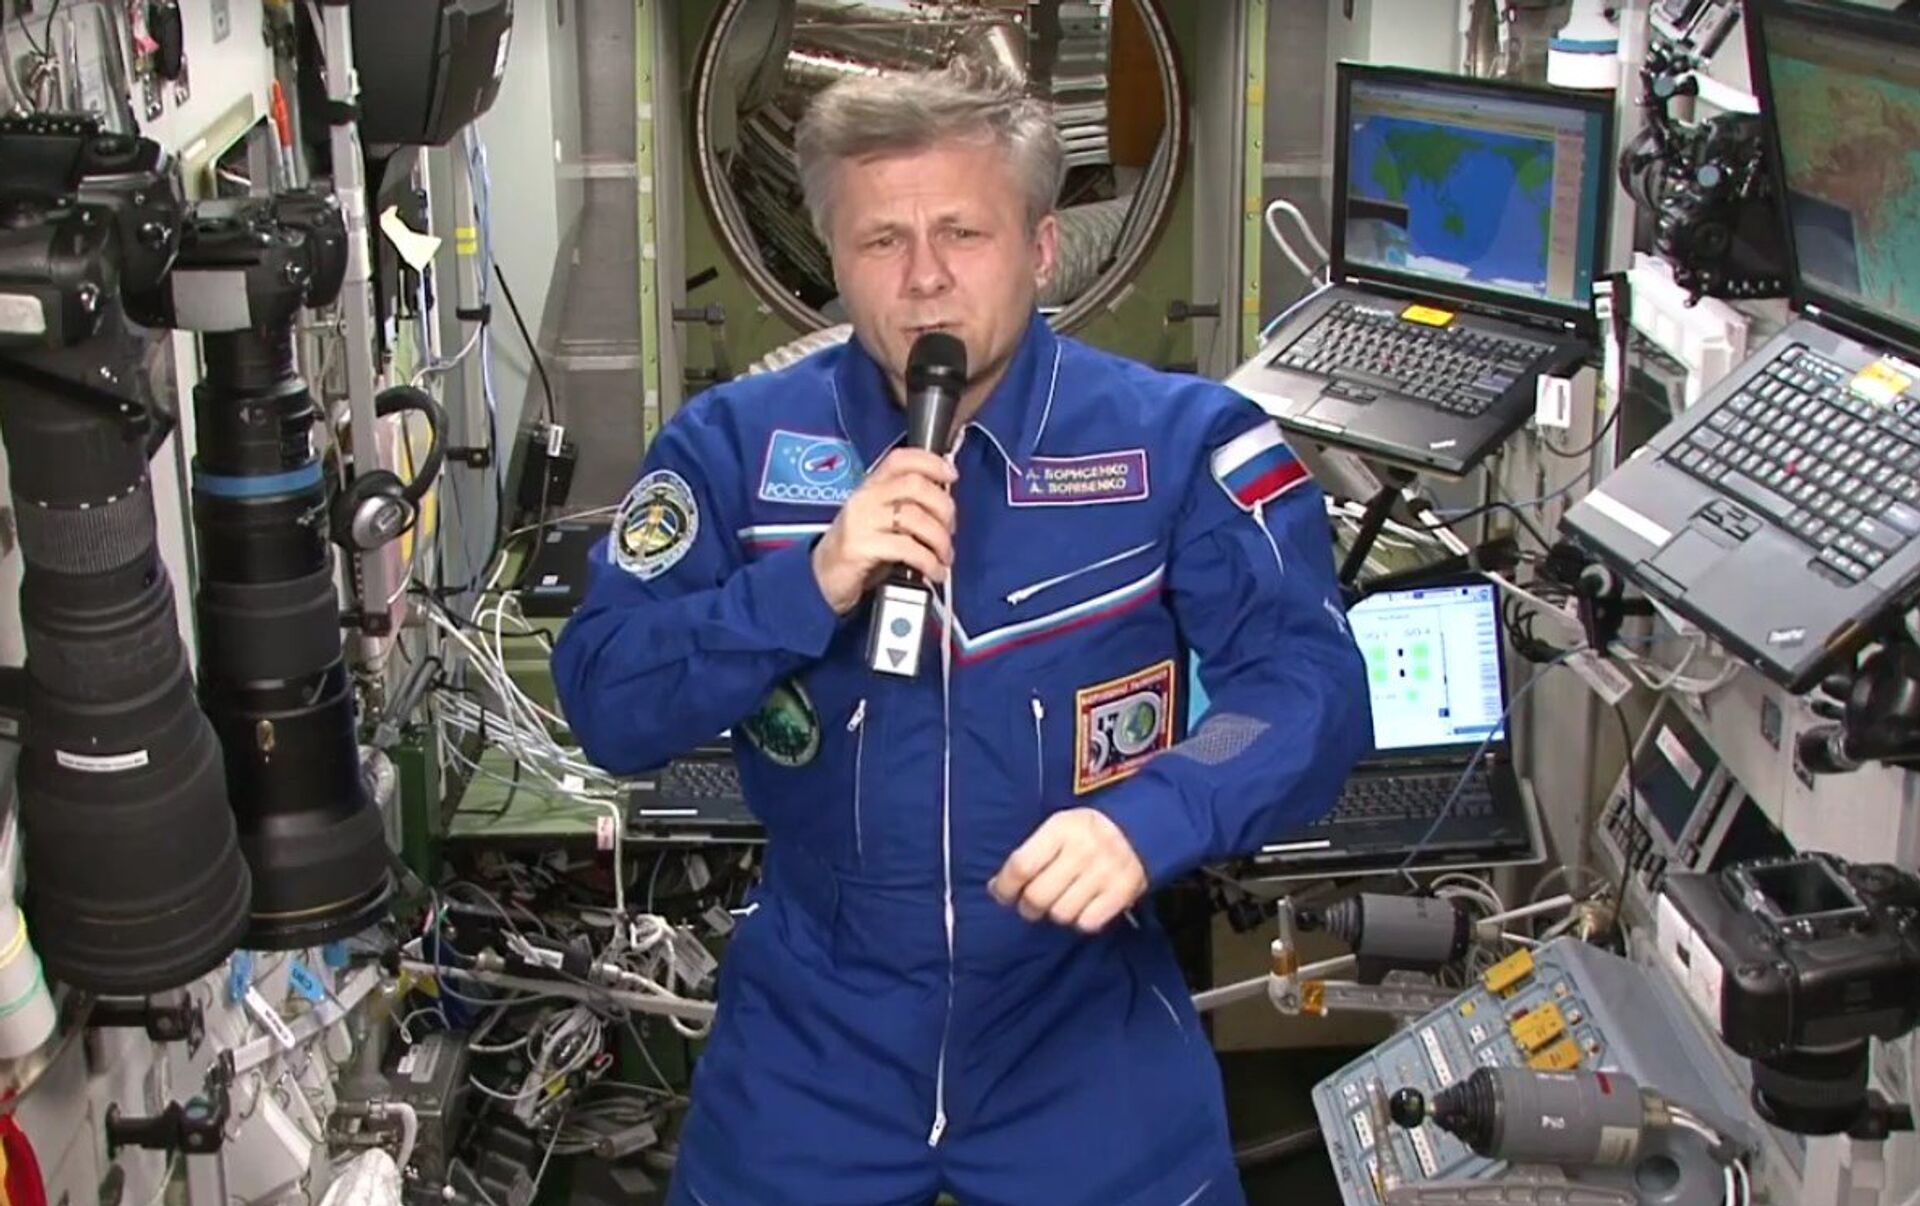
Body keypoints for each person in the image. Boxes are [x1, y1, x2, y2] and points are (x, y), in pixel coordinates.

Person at [553, 60, 1371, 1206]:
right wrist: (807, 584)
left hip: (1079, 1022)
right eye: (882, 241)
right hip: (816, 1030)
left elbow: (1309, 688)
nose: (925, 278)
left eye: (963, 234)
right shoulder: (730, 445)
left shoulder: (1181, 441)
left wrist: (1156, 815)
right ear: (833, 259)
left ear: (1041, 247)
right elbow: (607, 696)